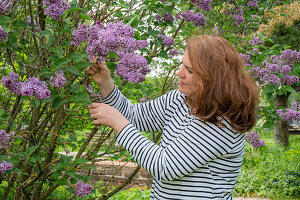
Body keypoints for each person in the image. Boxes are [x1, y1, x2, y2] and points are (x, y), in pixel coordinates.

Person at [87, 34, 259, 200]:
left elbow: (166, 167)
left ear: (213, 79)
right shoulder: (180, 99)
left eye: (189, 70)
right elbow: (135, 116)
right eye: (182, 65)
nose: (179, 73)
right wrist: (105, 83)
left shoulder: (221, 121)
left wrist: (118, 123)